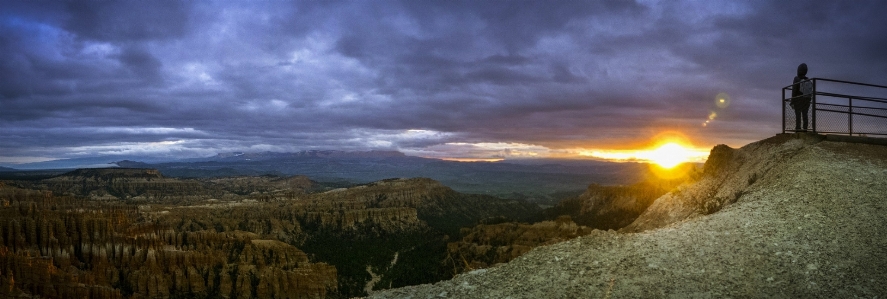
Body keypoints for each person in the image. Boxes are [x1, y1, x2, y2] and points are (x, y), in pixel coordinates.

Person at [791, 63, 812, 132]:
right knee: (805, 114)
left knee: (798, 114)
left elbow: (794, 90)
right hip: (807, 99)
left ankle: (798, 128)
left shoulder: (796, 79)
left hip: (798, 99)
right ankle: (805, 128)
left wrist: (792, 101)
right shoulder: (808, 80)